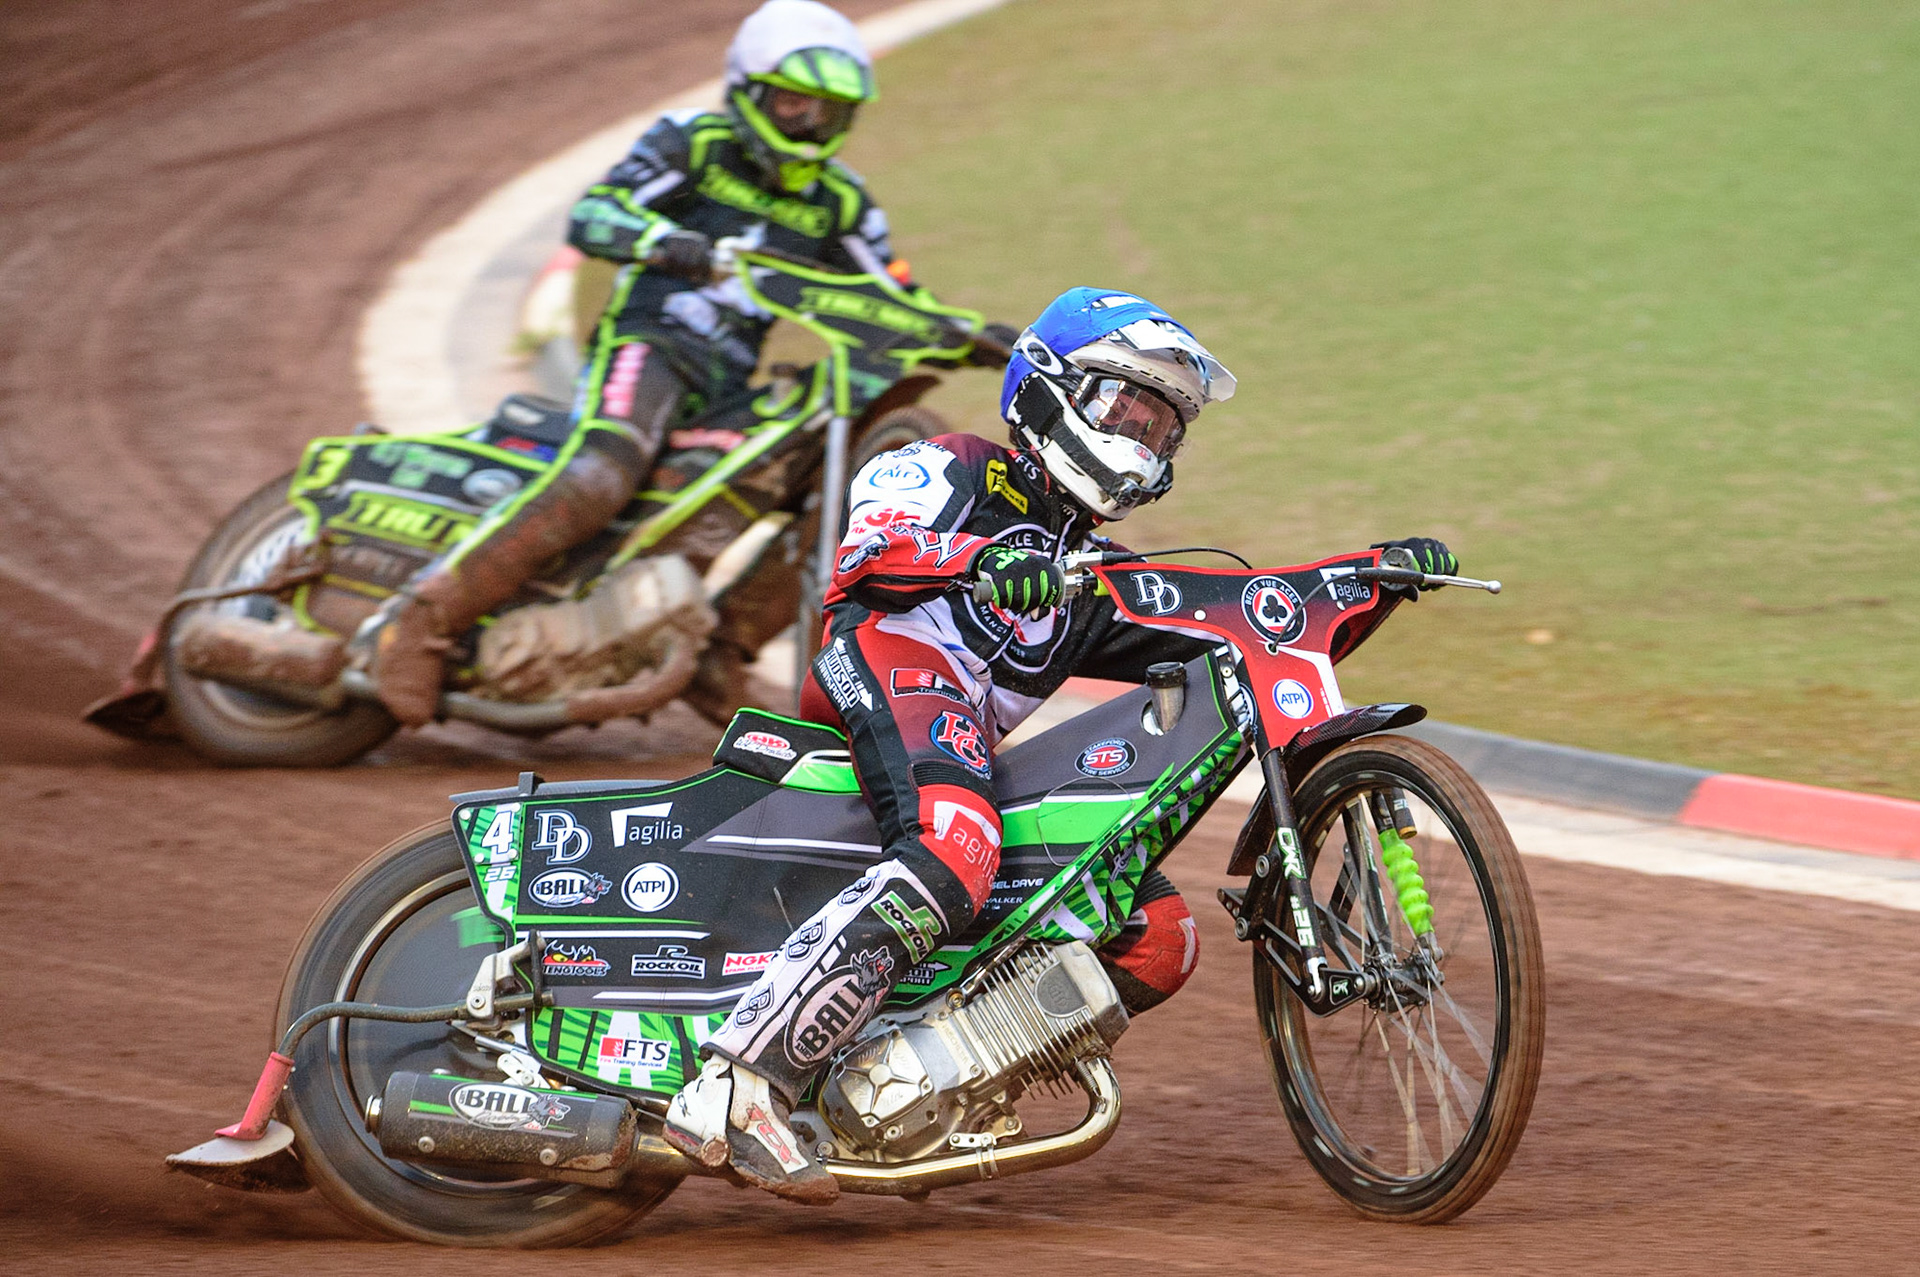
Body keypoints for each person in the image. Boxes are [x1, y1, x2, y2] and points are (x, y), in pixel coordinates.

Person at [662, 286, 1458, 1200]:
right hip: (881, 664)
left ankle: (915, 1082)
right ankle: (739, 1079)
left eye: (1163, 427)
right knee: (956, 844)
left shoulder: (1096, 574)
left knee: (1159, 934)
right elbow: (868, 556)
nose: (1143, 439)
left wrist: (1369, 576)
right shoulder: (952, 465)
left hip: (965, 747)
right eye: (1127, 408)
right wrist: (983, 558)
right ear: (1049, 392)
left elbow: (1246, 618)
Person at [371, 0, 893, 726]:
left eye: (828, 111)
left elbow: (894, 295)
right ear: (748, 89)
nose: (808, 124)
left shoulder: (841, 202)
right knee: (604, 472)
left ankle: (725, 649)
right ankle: (421, 619)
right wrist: (663, 242)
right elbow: (595, 214)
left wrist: (985, 335)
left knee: (833, 482)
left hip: (727, 386)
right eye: (794, 101)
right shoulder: (691, 143)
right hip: (647, 346)